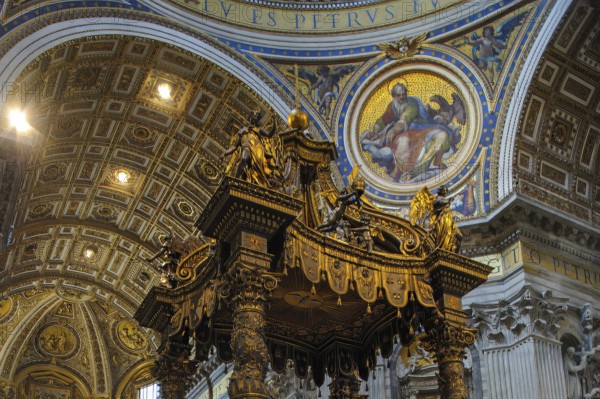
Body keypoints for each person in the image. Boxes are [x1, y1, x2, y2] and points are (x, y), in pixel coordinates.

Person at [360, 83, 460, 182]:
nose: (402, 97)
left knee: (443, 136)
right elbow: (383, 120)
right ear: (393, 96)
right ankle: (399, 170)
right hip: (406, 132)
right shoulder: (393, 105)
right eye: (399, 95)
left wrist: (394, 130)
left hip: (422, 128)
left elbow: (405, 118)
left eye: (404, 94)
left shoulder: (411, 103)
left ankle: (431, 163)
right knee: (402, 141)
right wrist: (375, 132)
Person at [221, 110, 283, 189]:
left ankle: (259, 181)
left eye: (256, 116)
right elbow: (234, 146)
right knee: (243, 158)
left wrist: (274, 124)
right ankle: (235, 179)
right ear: (250, 117)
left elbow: (269, 135)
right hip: (247, 147)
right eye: (253, 116)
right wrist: (225, 153)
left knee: (260, 170)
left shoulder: (258, 130)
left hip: (258, 149)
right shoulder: (242, 131)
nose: (255, 118)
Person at [430, 185, 463, 252]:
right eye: (444, 190)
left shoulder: (444, 198)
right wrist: (448, 201)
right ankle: (444, 249)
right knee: (444, 236)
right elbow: (437, 203)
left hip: (450, 220)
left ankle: (455, 254)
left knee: (460, 237)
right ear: (441, 191)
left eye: (446, 190)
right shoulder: (438, 198)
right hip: (443, 219)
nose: (445, 192)